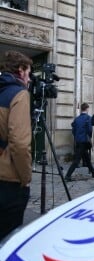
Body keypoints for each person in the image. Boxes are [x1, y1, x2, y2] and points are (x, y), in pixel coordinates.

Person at [0, 50, 33, 240]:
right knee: (8, 239)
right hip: (8, 179)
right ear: (21, 71)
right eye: (28, 73)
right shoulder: (19, 93)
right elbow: (20, 144)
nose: (29, 79)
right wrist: (25, 177)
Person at [65, 102, 94, 181]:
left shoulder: (76, 119)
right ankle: (68, 175)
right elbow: (90, 130)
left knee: (86, 158)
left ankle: (93, 172)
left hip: (78, 141)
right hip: (84, 141)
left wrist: (77, 136)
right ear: (87, 109)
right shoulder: (88, 118)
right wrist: (89, 137)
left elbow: (73, 130)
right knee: (76, 160)